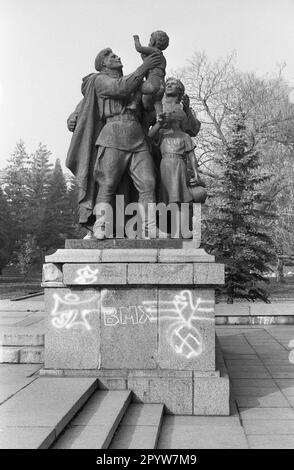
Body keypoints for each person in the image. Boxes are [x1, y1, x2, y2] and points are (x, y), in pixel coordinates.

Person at [66, 48, 162, 239]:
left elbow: (151, 89)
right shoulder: (99, 79)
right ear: (103, 64)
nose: (117, 57)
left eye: (116, 55)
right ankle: (101, 225)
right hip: (113, 134)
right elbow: (120, 89)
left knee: (148, 183)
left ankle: (149, 227)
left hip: (136, 136)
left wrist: (157, 67)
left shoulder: (132, 80)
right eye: (111, 56)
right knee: (108, 183)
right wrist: (144, 67)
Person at [133, 31, 169, 116]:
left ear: (153, 41)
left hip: (153, 82)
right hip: (162, 85)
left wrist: (136, 39)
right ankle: (159, 115)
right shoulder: (162, 57)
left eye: (150, 40)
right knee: (157, 101)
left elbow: (139, 48)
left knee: (137, 85)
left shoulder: (154, 51)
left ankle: (134, 103)